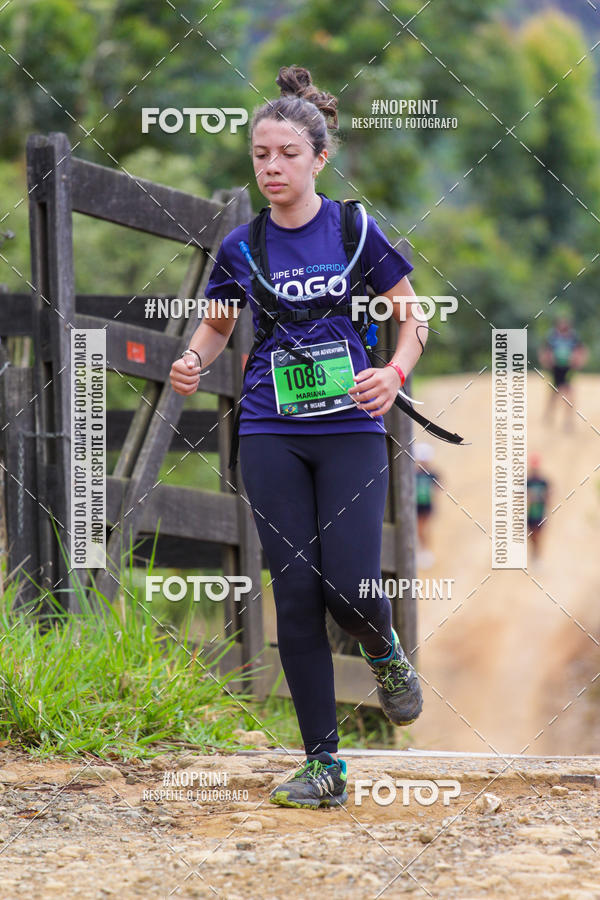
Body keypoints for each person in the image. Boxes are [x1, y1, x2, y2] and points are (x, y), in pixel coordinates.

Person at [170, 64, 425, 810]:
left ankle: (382, 647)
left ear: (318, 157)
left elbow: (412, 317)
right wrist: (191, 358)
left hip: (348, 428)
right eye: (260, 155)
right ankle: (324, 766)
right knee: (297, 595)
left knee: (348, 584)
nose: (271, 166)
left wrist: (396, 374)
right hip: (270, 430)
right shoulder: (241, 247)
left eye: (286, 153)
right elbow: (216, 325)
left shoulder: (353, 229)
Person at [538, 315, 587, 432]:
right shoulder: (552, 336)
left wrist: (579, 361)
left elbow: (581, 350)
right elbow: (545, 350)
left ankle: (568, 421)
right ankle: (549, 416)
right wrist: (546, 361)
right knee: (554, 393)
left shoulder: (574, 337)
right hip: (556, 369)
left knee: (568, 393)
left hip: (568, 368)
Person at [414, 443, 440, 569]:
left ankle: (425, 551)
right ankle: (422, 551)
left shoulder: (432, 474)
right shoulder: (414, 474)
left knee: (424, 529)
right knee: (419, 529)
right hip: (416, 505)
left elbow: (437, 490)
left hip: (427, 505)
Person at [527, 453, 550, 561]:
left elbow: (549, 496)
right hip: (530, 513)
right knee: (532, 535)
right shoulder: (528, 482)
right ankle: (534, 554)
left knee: (539, 535)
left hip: (540, 512)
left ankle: (537, 555)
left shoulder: (543, 482)